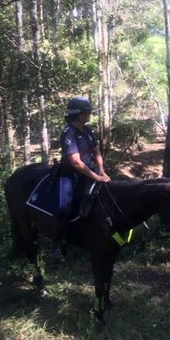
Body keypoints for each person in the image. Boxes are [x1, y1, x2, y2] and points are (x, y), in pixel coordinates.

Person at [53, 96, 111, 263]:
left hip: (91, 170)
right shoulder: (68, 133)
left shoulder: (87, 130)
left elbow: (97, 152)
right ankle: (58, 245)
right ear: (77, 114)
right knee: (64, 207)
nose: (90, 115)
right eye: (87, 112)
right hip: (70, 174)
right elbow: (76, 162)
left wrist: (102, 172)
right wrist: (96, 177)